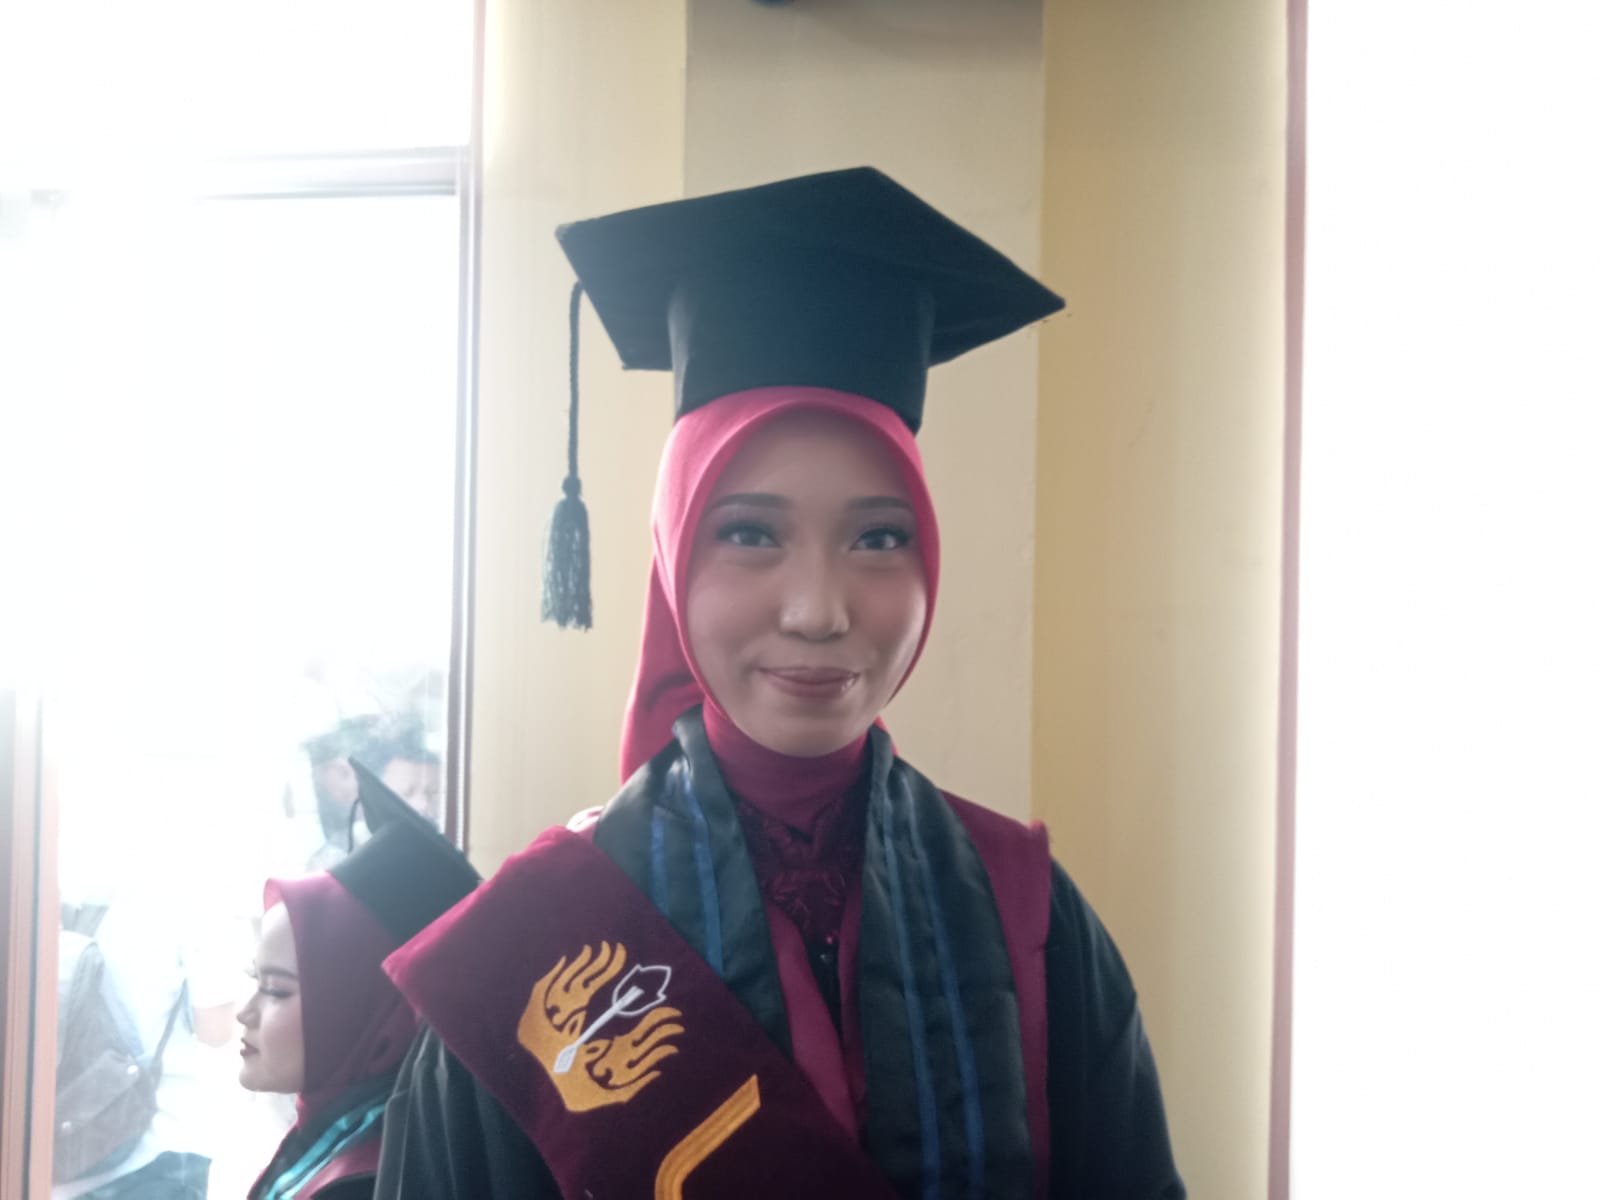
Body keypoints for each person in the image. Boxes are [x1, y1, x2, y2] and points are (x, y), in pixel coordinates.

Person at [374, 168, 1185, 1197]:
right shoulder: (537, 951)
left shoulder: (1028, 914)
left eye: (878, 538)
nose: (818, 610)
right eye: (750, 533)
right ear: (673, 558)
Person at [240, 762, 478, 1200]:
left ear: (370, 1014)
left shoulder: (374, 1183)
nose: (244, 1012)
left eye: (275, 990)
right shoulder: (340, 1130)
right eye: (255, 980)